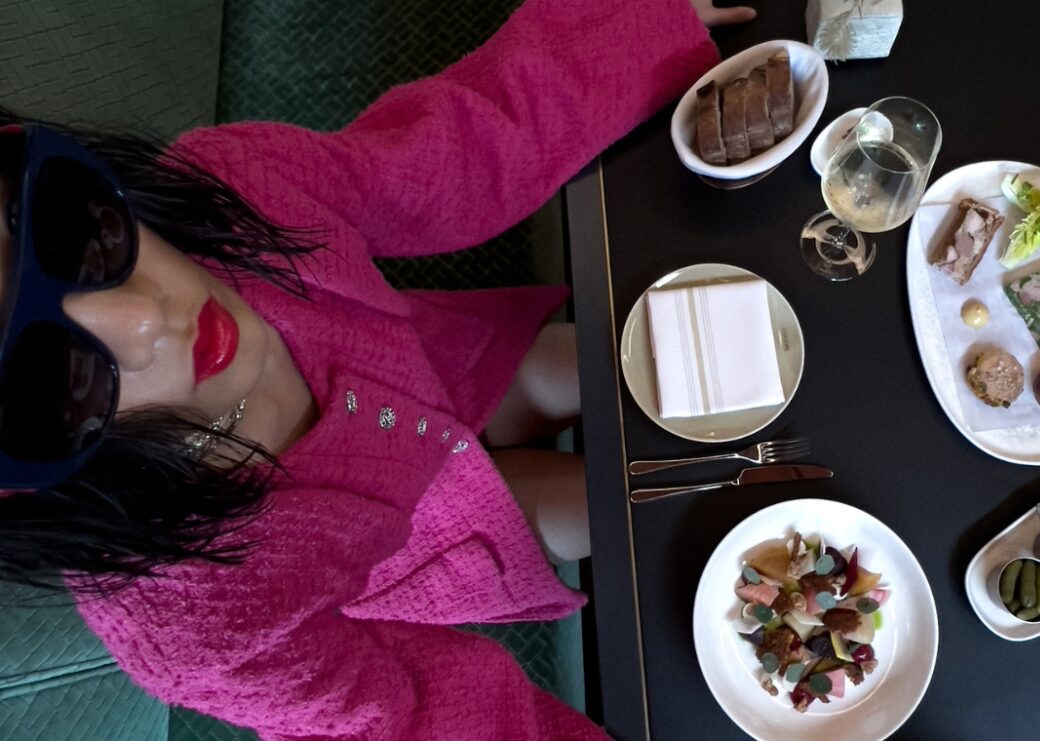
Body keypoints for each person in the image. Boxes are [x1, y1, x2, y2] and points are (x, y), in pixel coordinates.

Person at [0, 0, 757, 737]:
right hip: (427, 538)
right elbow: (412, 721)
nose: (149, 315)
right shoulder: (196, 620)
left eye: (70, 232)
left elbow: (444, 154)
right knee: (659, 507)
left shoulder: (225, 186)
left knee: (655, 347)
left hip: (446, 365)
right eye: (43, 381)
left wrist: (633, 25)